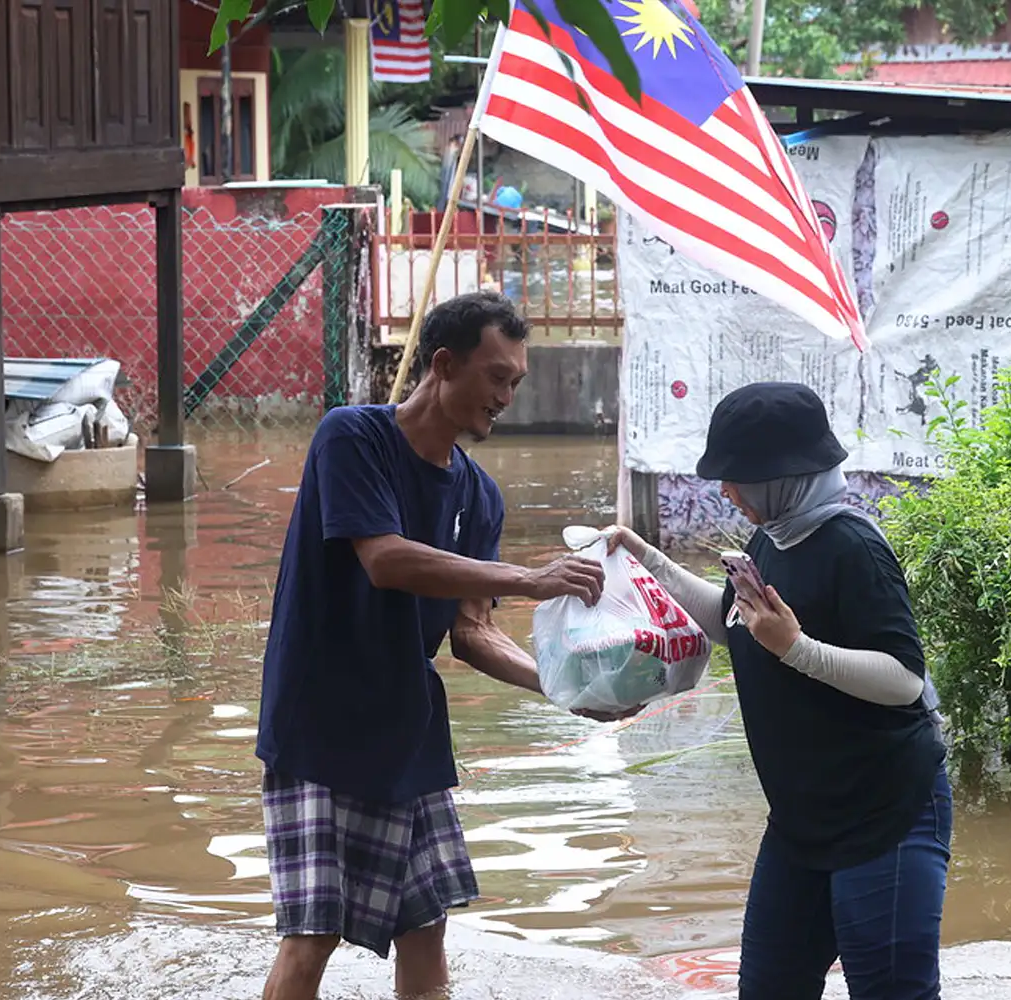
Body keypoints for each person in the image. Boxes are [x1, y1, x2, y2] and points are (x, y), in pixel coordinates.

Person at [256, 290, 636, 1000]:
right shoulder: (352, 437)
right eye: (497, 377)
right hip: (319, 726)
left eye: (516, 382)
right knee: (312, 937)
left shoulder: (479, 496)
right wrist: (530, 578)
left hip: (409, 736)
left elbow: (472, 632)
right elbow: (386, 560)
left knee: (426, 929)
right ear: (442, 364)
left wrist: (566, 689)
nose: (506, 397)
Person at [608, 381, 951, 1000]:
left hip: (885, 809)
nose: (727, 492)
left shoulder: (854, 547)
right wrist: (645, 558)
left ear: (781, 475)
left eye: (737, 477)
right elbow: (731, 621)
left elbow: (904, 682)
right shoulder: (774, 537)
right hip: (802, 818)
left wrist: (798, 649)